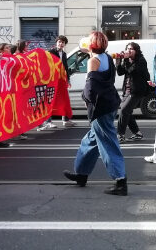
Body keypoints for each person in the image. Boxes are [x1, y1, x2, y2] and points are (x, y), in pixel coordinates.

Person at [63, 31, 127, 195]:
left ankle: (120, 181)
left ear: (90, 46)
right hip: (110, 102)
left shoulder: (93, 60)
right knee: (90, 141)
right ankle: (81, 174)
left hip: (100, 107)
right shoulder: (107, 58)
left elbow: (90, 87)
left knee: (107, 142)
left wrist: (86, 100)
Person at [115, 41, 151, 142]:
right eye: (128, 49)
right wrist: (118, 61)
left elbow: (132, 71)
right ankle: (137, 133)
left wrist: (126, 59)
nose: (129, 51)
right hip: (127, 90)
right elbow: (120, 72)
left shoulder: (141, 60)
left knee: (124, 111)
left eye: (131, 49)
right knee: (127, 111)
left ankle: (120, 135)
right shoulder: (127, 60)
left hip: (137, 90)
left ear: (136, 51)